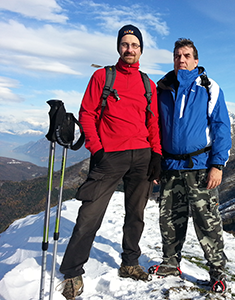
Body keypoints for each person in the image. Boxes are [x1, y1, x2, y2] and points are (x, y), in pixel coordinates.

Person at [59, 24, 162, 299]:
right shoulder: (102, 77)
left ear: (141, 50)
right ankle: (72, 272)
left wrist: (157, 154)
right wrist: (98, 149)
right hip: (109, 156)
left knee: (136, 215)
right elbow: (87, 113)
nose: (130, 49)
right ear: (119, 47)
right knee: (90, 215)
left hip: (142, 156)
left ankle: (130, 263)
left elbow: (153, 122)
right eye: (125, 44)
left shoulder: (147, 84)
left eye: (135, 45)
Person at [149, 38, 231, 293]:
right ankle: (171, 263)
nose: (181, 60)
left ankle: (217, 272)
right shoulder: (162, 89)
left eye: (186, 56)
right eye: (176, 56)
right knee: (170, 220)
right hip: (170, 167)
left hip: (200, 167)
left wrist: (217, 164)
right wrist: (155, 164)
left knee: (208, 222)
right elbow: (154, 128)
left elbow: (221, 127)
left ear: (196, 61)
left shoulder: (209, 87)